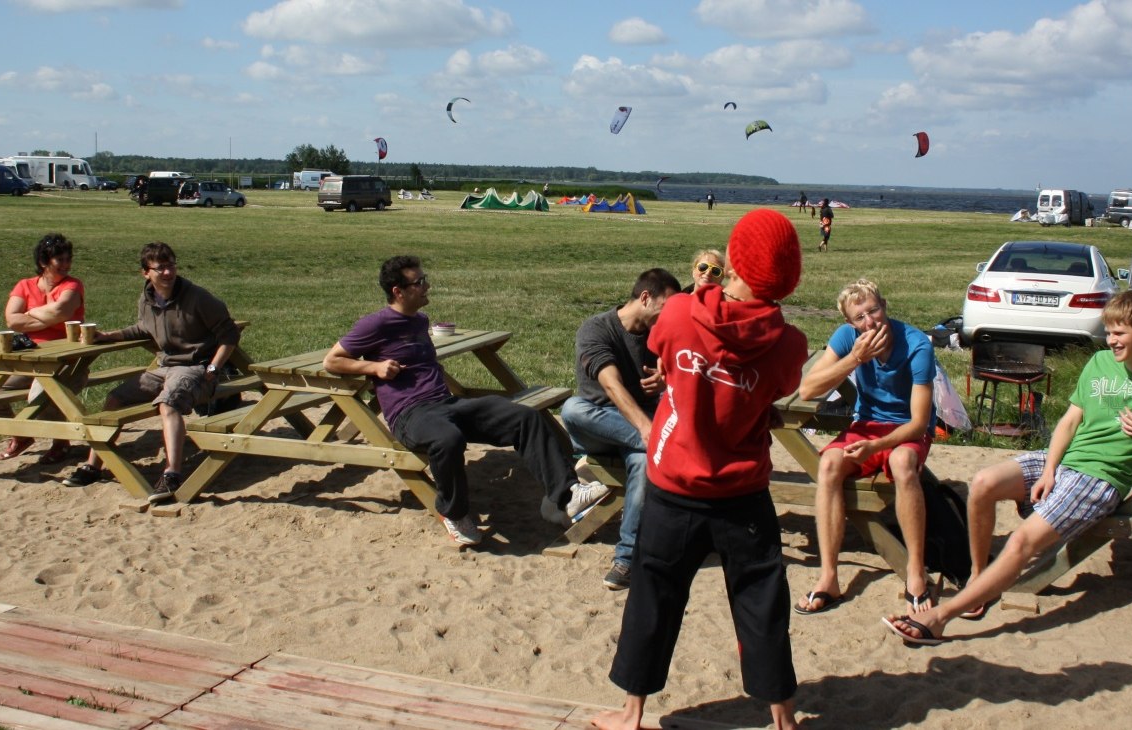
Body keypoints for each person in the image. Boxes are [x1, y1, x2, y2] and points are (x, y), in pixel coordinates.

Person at [592, 209, 807, 730]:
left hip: (674, 484)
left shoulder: (683, 312)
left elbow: (666, 353)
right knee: (762, 600)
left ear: (733, 258)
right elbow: (773, 390)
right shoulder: (789, 344)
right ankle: (782, 719)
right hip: (744, 490)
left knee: (653, 595)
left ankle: (632, 714)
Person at [885, 290, 1132, 645]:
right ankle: (979, 581)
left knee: (1021, 541)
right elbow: (1069, 421)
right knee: (982, 483)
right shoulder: (1101, 362)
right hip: (1061, 460)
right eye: (1108, 332)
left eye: (1119, 333)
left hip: (1100, 478)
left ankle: (939, 618)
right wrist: (1049, 471)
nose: (1111, 340)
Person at [322, 255, 610, 546]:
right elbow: (331, 361)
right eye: (419, 282)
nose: (427, 285)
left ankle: (567, 495)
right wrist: (373, 368)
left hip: (445, 403)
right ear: (398, 291)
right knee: (447, 438)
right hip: (410, 414)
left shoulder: (420, 320)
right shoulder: (375, 323)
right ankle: (455, 513)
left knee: (525, 417)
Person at [795, 278, 936, 616]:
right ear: (850, 323)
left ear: (884, 306)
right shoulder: (848, 339)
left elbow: (919, 422)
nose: (870, 321)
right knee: (827, 464)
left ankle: (915, 571)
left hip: (904, 430)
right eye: (860, 318)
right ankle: (829, 577)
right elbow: (807, 389)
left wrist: (876, 447)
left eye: (873, 310)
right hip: (867, 424)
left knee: (903, 464)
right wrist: (854, 360)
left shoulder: (916, 344)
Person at [59, 242, 240, 502]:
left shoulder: (198, 297)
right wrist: (108, 337)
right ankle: (93, 466)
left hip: (195, 366)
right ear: (146, 272)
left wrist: (214, 367)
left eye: (171, 266)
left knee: (169, 403)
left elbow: (229, 333)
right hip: (165, 366)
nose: (168, 273)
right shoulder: (147, 298)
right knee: (115, 399)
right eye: (161, 268)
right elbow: (144, 329)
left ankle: (172, 474)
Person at [561, 269, 681, 590]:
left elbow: (682, 380)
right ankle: (660, 446)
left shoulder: (663, 334)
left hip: (640, 436)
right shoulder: (597, 329)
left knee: (644, 462)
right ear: (645, 298)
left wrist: (665, 380)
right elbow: (611, 386)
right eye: (667, 306)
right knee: (573, 409)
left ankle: (626, 559)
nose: (671, 315)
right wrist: (651, 432)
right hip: (600, 425)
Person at [0, 233, 87, 464]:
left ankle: (61, 442)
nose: (66, 265)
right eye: (60, 260)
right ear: (44, 262)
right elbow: (11, 320)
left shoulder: (73, 285)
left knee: (40, 396)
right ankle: (21, 436)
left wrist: (29, 314)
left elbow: (61, 312)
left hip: (67, 361)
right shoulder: (24, 285)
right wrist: (49, 317)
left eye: (68, 259)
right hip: (30, 359)